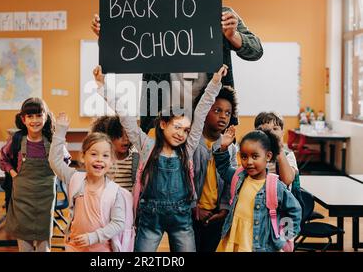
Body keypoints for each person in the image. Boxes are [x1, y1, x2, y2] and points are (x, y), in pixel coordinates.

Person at [91, 0, 263, 133]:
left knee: (212, 159)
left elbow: (257, 50)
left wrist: (233, 35)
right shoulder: (156, 13)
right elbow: (127, 47)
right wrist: (106, 35)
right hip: (162, 112)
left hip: (211, 112)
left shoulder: (222, 14)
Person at [94, 63, 228, 252]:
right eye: (177, 127)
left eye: (186, 130)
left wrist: (214, 83)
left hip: (182, 218)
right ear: (163, 124)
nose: (181, 134)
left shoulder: (187, 149)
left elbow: (201, 113)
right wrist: (103, 86)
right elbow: (125, 115)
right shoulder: (146, 146)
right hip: (150, 218)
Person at [213, 126, 301, 252]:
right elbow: (223, 168)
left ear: (268, 156)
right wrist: (223, 148)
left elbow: (294, 210)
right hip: (233, 239)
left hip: (257, 245)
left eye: (255, 156)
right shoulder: (239, 176)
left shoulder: (275, 186)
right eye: (244, 156)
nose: (248, 162)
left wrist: (284, 237)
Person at [49, 112, 126, 252]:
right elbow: (55, 161)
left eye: (105, 155)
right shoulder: (75, 178)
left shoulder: (115, 192)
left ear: (111, 160)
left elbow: (118, 223)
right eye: (94, 154)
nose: (99, 159)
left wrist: (93, 237)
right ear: (83, 157)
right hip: (74, 246)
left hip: (101, 249)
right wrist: (60, 131)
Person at [0, 97, 56, 252]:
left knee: (44, 247)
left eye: (39, 115)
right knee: (25, 246)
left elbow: (64, 161)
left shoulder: (52, 141)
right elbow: (3, 158)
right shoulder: (16, 140)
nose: (35, 120)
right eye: (30, 116)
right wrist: (13, 174)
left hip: (45, 200)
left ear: (46, 117)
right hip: (22, 200)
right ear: (23, 119)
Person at [192, 85, 238, 252]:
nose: (223, 117)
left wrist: (225, 208)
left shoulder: (230, 148)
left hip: (216, 216)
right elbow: (183, 179)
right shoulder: (191, 143)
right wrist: (194, 208)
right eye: (217, 110)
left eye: (227, 113)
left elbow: (230, 182)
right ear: (204, 111)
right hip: (190, 215)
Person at [91, 116, 139, 191]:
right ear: (109, 137)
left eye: (128, 135)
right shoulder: (104, 160)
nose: (125, 139)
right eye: (119, 136)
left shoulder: (136, 160)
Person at [254, 112, 298, 186]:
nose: (271, 133)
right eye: (266, 130)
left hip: (280, 196)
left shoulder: (288, 155)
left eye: (275, 129)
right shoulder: (255, 154)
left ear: (282, 133)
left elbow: (287, 180)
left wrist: (279, 148)